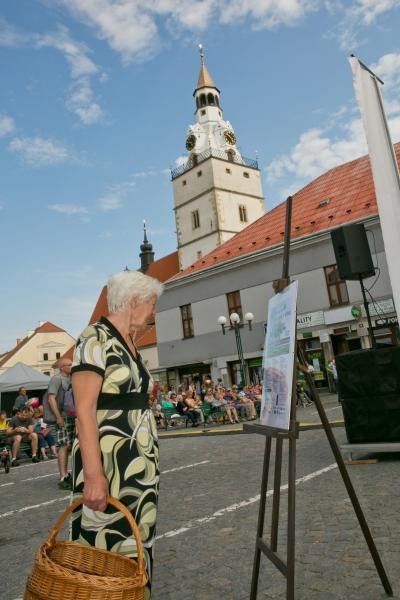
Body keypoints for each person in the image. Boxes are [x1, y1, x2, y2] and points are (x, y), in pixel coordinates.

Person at [71, 269, 163, 599]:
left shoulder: (130, 344)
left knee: (137, 546)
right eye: (152, 305)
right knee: (106, 551)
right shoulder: (94, 338)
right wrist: (94, 477)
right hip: (112, 469)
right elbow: (84, 409)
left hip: (138, 473)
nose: (153, 314)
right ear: (135, 300)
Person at [47, 358, 74, 489]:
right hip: (63, 417)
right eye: (69, 364)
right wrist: (58, 417)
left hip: (73, 416)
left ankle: (68, 474)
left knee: (70, 446)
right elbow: (51, 398)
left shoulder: (72, 378)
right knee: (64, 446)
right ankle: (63, 477)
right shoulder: (56, 379)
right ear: (62, 367)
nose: (72, 366)